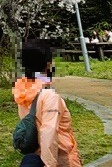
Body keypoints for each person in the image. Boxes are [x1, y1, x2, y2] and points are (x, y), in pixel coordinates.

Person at [13, 39, 82, 167]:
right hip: (60, 158)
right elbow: (48, 132)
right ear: (48, 64)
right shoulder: (49, 95)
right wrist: (49, 164)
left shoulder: (23, 92)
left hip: (36, 155)